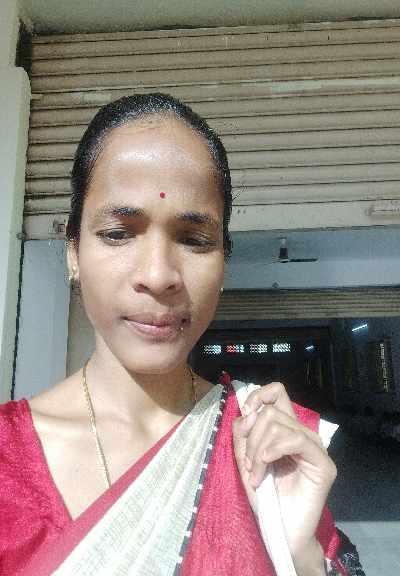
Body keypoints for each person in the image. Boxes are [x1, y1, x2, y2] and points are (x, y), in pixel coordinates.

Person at [0, 93, 363, 575]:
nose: (158, 275)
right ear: (73, 250)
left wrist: (300, 555)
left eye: (193, 240)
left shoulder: (270, 453)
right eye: (118, 233)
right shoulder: (7, 461)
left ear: (224, 260)